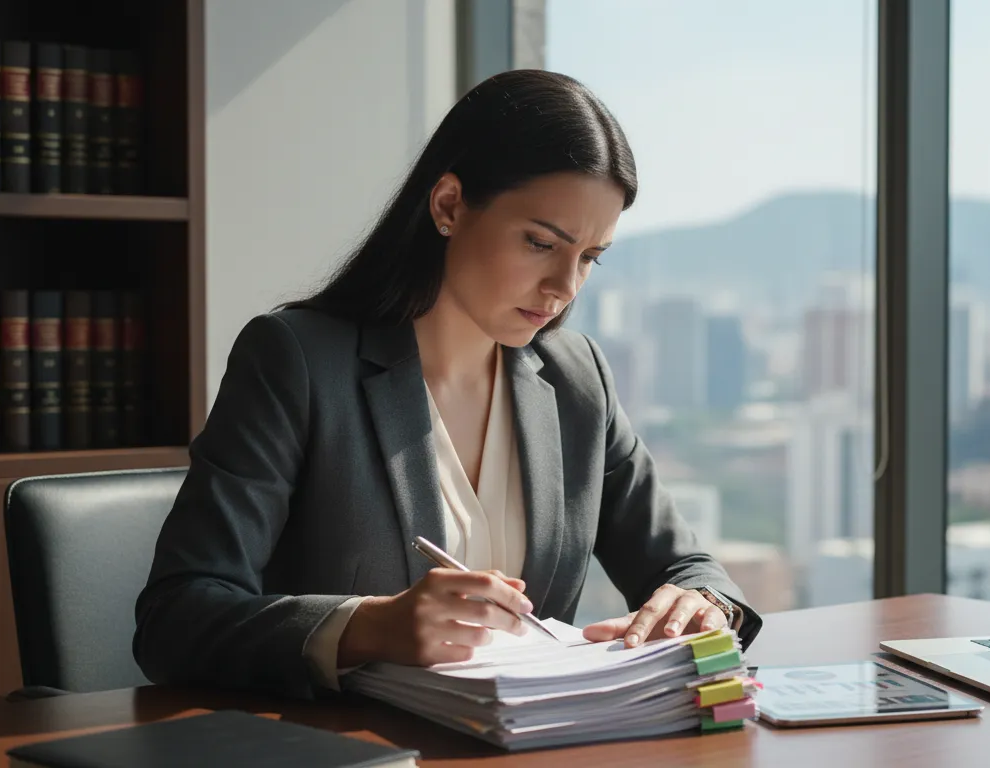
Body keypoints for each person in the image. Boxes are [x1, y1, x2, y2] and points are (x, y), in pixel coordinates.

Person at [132, 70, 762, 699]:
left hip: (532, 740)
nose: (565, 287)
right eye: (542, 243)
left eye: (590, 257)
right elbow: (176, 617)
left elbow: (685, 566)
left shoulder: (576, 379)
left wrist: (701, 603)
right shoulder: (296, 360)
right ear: (449, 205)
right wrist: (367, 626)